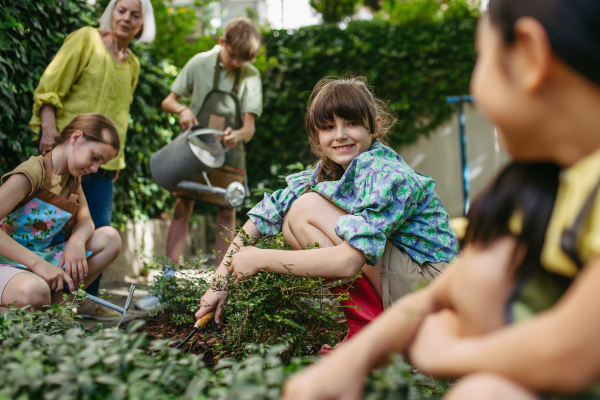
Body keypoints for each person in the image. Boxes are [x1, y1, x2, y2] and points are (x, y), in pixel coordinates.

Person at [281, 0, 600, 399]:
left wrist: (445, 352)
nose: (474, 84)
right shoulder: (547, 183)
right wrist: (357, 358)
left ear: (529, 56)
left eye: (482, 57)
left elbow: (570, 352)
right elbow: (448, 289)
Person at [194, 76, 459, 348]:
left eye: (352, 123)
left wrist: (260, 258)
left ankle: (375, 339)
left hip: (433, 293)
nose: (340, 135)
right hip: (411, 287)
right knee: (293, 217)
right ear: (317, 135)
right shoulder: (329, 172)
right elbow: (266, 213)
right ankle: (367, 329)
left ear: (375, 126)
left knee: (305, 209)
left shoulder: (385, 174)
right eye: (329, 127)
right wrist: (218, 284)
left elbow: (347, 262)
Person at [28, 0, 155, 319]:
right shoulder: (86, 38)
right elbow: (51, 84)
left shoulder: (133, 64)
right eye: (121, 10)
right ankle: (36, 297)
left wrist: (116, 159)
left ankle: (82, 303)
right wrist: (48, 131)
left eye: (134, 14)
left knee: (96, 229)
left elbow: (120, 115)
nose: (126, 18)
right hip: (70, 151)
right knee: (51, 230)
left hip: (104, 164)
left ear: (142, 23)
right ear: (111, 12)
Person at [160, 16, 263, 267]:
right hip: (194, 150)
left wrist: (236, 135)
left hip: (230, 154)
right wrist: (182, 111)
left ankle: (219, 283)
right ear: (222, 42)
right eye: (232, 56)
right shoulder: (199, 63)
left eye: (242, 59)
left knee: (227, 212)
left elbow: (249, 128)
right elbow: (168, 101)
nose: (236, 63)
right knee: (182, 205)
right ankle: (168, 279)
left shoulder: (251, 75)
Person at [0, 113, 122, 313]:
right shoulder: (31, 173)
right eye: (94, 158)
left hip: (34, 262)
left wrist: (77, 240)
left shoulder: (71, 179)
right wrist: (37, 264)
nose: (94, 168)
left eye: (100, 164)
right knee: (35, 293)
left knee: (110, 238)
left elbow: (87, 223)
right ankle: (38, 310)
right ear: (76, 138)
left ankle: (57, 308)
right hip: (5, 263)